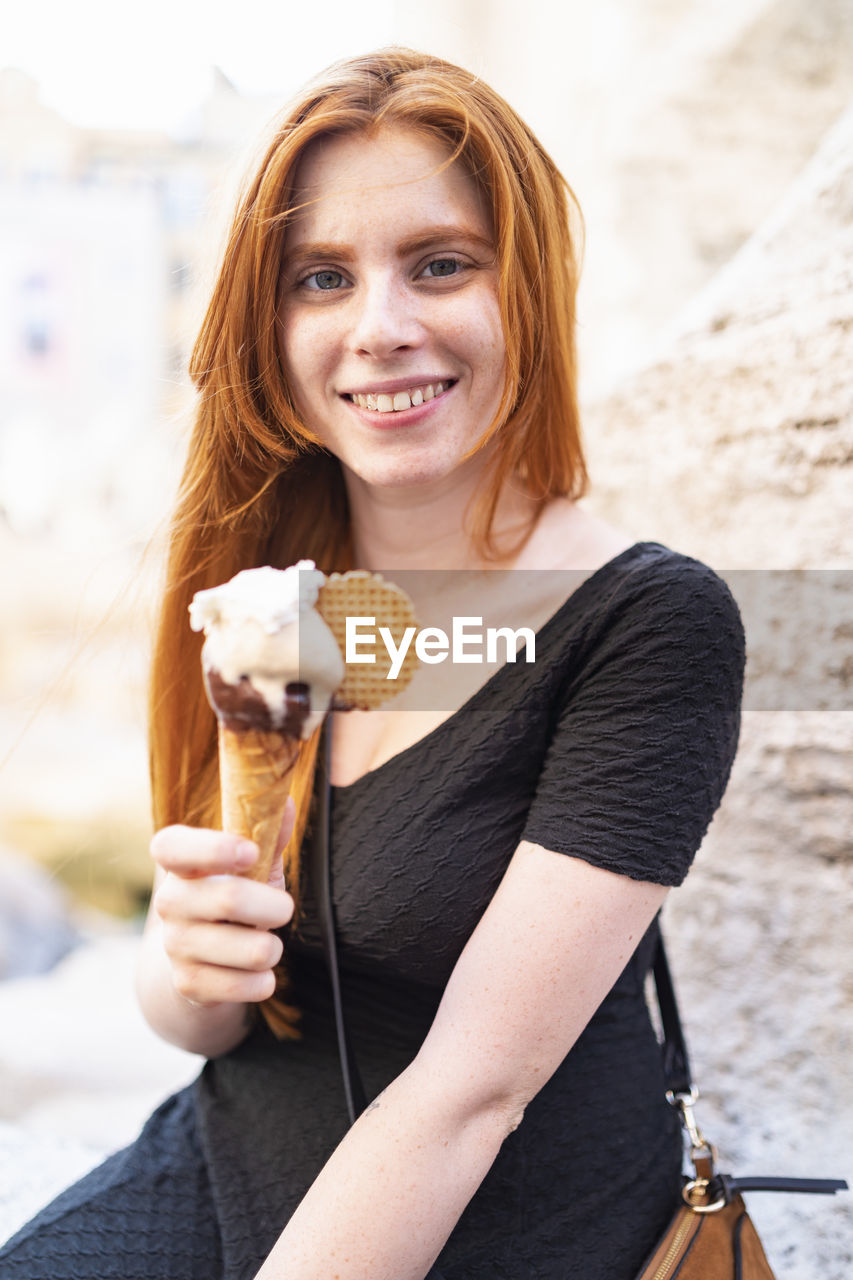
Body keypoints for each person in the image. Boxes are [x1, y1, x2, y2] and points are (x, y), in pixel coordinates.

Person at [0, 48, 745, 1280]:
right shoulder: (264, 589)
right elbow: (210, 1020)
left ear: (529, 289)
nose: (380, 328)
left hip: (496, 1216)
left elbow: (472, 1090)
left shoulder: (648, 621)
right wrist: (182, 954)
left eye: (440, 263)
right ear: (267, 322)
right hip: (230, 1158)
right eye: (321, 278)